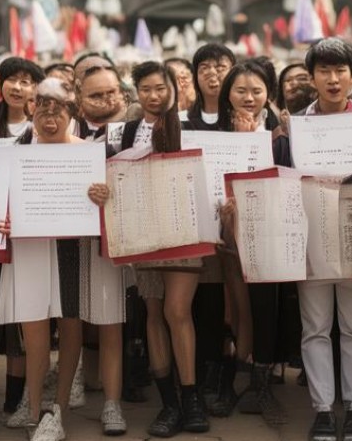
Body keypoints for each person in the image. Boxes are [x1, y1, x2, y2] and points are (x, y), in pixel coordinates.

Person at [5, 78, 131, 441]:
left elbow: (110, 205)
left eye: (57, 109)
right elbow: (2, 197)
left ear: (71, 114)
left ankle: (57, 408)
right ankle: (31, 408)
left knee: (71, 324)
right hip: (30, 248)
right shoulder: (18, 150)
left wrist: (103, 195)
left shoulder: (90, 153)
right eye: (42, 108)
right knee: (34, 329)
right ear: (31, 111)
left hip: (74, 249)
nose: (49, 116)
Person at [105, 61, 207, 437]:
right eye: (146, 89)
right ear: (136, 92)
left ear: (173, 89)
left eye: (160, 88)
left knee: (177, 310)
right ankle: (169, 403)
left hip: (183, 227)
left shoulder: (190, 127)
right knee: (152, 311)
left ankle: (192, 396)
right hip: (142, 229)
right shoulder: (125, 131)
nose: (154, 95)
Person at [292, 37, 352, 441]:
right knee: (315, 328)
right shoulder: (293, 128)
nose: (332, 78)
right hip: (311, 238)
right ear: (311, 78)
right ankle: (323, 409)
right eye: (323, 71)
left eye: (340, 71)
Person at [213, 60, 291, 427]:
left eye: (257, 91)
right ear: (228, 92)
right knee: (233, 299)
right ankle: (232, 371)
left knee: (264, 300)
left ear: (268, 95)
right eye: (241, 90)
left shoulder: (280, 131)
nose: (249, 98)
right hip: (227, 229)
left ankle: (260, 372)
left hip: (270, 226)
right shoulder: (213, 132)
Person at [0, 58, 42, 144]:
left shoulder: (41, 126)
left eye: (24, 82)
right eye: (11, 79)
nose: (16, 87)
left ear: (35, 89)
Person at [185, 44, 235, 131]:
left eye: (220, 67)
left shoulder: (242, 119)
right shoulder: (183, 120)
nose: (212, 72)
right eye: (204, 68)